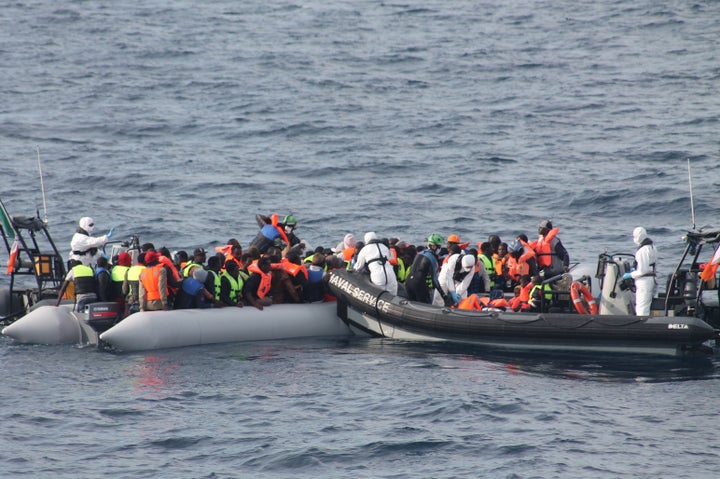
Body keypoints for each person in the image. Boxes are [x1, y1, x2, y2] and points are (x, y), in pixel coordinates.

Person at [623, 227, 657, 316]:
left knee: (641, 307)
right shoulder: (652, 247)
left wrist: (631, 274)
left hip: (644, 281)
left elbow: (642, 271)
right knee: (647, 304)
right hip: (652, 278)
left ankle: (642, 324)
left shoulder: (642, 251)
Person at [405, 234, 447, 304]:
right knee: (425, 306)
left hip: (408, 282)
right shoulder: (432, 258)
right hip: (419, 285)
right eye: (439, 247)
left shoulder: (419, 254)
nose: (440, 249)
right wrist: (443, 295)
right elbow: (435, 280)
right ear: (433, 246)